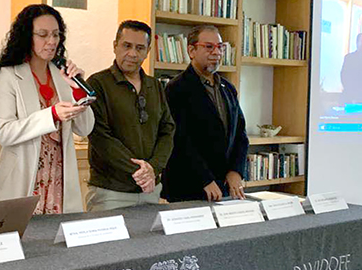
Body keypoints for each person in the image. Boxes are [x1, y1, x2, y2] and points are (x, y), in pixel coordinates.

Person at [0, 4, 94, 214]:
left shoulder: (62, 75)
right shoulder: (8, 75)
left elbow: (85, 128)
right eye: (43, 35)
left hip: (58, 179)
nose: (51, 41)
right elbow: (4, 133)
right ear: (27, 36)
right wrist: (52, 115)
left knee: (56, 233)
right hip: (23, 180)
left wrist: (78, 89)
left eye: (56, 34)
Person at [85, 20, 175, 211]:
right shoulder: (97, 84)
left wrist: (153, 168)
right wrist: (141, 171)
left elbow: (167, 131)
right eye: (127, 46)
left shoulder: (155, 86)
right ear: (115, 46)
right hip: (110, 192)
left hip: (151, 189)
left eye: (140, 48)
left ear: (147, 51)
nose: (133, 53)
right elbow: (100, 137)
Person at [162, 25, 248, 202]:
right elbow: (179, 140)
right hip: (188, 186)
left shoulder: (228, 88)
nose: (216, 52)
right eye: (209, 47)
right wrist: (205, 179)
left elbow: (240, 134)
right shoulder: (176, 88)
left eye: (220, 47)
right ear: (191, 51)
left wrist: (236, 171)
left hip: (223, 186)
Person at [340, 33, 362, 104]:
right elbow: (344, 77)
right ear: (357, 43)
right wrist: (352, 97)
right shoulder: (349, 58)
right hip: (350, 98)